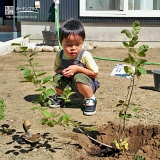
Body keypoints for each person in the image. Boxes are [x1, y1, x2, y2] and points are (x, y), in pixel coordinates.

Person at [51, 18, 100, 116]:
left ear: (82, 42)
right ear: (61, 43)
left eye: (78, 44)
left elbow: (95, 74)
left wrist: (77, 69)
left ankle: (90, 99)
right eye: (68, 44)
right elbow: (57, 70)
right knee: (57, 78)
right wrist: (64, 71)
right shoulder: (59, 55)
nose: (73, 48)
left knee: (79, 77)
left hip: (86, 84)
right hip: (70, 84)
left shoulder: (85, 55)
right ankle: (61, 97)